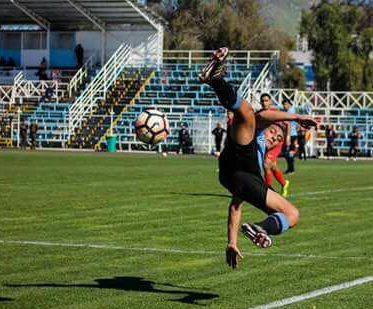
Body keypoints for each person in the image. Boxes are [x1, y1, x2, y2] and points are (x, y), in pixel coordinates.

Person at [199, 47, 317, 269]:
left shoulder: (260, 165)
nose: (274, 136)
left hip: (237, 175)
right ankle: (215, 80)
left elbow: (235, 207)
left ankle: (260, 228)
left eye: (278, 137)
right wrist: (297, 116)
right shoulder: (257, 132)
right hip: (238, 159)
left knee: (292, 214)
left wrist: (231, 242)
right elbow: (262, 115)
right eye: (274, 132)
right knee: (248, 115)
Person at [259, 93, 290, 197]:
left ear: (270, 102)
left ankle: (266, 190)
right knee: (272, 166)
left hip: (276, 143)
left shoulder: (275, 113)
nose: (264, 102)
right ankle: (284, 184)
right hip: (265, 143)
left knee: (266, 164)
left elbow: (287, 123)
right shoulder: (259, 114)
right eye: (262, 101)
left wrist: (288, 136)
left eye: (266, 100)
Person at [282, 99, 298, 174]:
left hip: (291, 135)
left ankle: (291, 169)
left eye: (285, 104)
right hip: (290, 134)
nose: (284, 106)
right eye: (283, 105)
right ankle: (290, 169)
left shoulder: (290, 112)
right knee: (286, 153)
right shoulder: (289, 111)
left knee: (289, 153)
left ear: (288, 104)